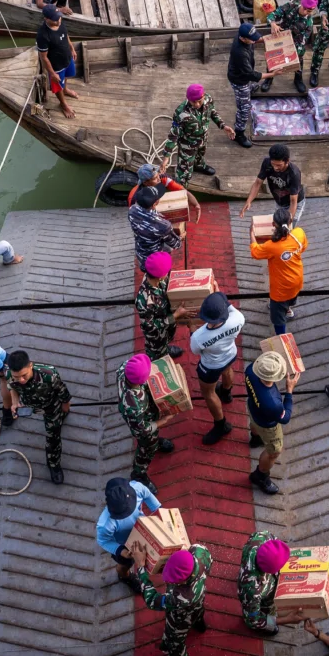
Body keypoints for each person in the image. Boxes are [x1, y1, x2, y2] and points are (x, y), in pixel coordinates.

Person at [137, 544, 213, 656]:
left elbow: (152, 600)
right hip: (199, 600)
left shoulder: (181, 597)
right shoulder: (200, 551)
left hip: (180, 618)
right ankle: (198, 622)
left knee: (173, 643)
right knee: (197, 611)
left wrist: (141, 568)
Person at [4, 349, 72, 484]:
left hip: (51, 407)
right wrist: (15, 402)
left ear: (30, 365)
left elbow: (62, 391)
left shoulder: (49, 374)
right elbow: (12, 388)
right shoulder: (9, 374)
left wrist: (65, 409)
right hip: (30, 406)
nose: (21, 380)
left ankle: (54, 465)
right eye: (17, 377)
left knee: (53, 438)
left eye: (24, 375)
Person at [190, 291, 246, 445]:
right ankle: (227, 393)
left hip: (211, 366)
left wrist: (192, 328)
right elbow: (229, 306)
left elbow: (195, 351)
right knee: (227, 370)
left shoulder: (199, 336)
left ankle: (221, 425)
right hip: (230, 354)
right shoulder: (238, 318)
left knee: (208, 393)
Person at [244, 350, 298, 495]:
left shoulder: (250, 370)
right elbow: (285, 418)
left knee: (254, 423)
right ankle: (260, 476)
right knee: (274, 452)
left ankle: (255, 438)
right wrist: (289, 391)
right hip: (268, 425)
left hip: (254, 409)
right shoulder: (273, 404)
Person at [96, 477, 162, 594]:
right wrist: (123, 552)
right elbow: (104, 541)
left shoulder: (138, 488)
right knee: (125, 565)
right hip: (125, 545)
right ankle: (124, 577)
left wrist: (159, 513)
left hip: (144, 532)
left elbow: (152, 502)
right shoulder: (105, 524)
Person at [118, 353, 175, 489]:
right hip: (141, 425)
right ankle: (139, 474)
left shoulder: (125, 368)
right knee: (147, 446)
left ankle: (155, 440)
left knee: (153, 437)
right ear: (141, 381)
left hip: (147, 413)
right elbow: (142, 429)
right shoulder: (133, 405)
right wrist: (163, 421)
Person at [159, 83, 234, 185]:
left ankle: (198, 165)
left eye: (199, 101)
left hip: (203, 139)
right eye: (194, 102)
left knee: (200, 155)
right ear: (188, 99)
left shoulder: (208, 100)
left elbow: (212, 112)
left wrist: (223, 126)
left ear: (203, 96)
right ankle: (181, 185)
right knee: (184, 171)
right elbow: (173, 135)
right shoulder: (181, 113)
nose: (197, 104)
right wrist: (166, 156)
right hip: (188, 144)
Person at [250, 207, 307, 336]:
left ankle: (281, 337)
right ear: (290, 221)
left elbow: (255, 252)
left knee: (277, 318)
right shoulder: (299, 234)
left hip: (280, 291)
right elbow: (303, 247)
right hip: (297, 280)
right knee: (292, 298)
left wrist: (252, 234)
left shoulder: (271, 246)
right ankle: (288, 310)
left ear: (273, 225)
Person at [135, 251, 190, 361]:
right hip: (156, 337)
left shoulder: (157, 279)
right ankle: (159, 356)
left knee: (166, 342)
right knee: (157, 353)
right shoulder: (145, 301)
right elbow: (149, 326)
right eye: (166, 271)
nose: (168, 273)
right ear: (159, 276)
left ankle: (166, 349)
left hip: (166, 328)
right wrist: (175, 316)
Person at [237, 533, 292, 635]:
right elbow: (252, 619)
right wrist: (285, 620)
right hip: (255, 597)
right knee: (261, 612)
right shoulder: (252, 589)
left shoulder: (262, 538)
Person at [265, 0, 316, 94]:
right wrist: (273, 23)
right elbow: (272, 15)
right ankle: (269, 78)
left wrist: (295, 50)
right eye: (304, 9)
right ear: (301, 4)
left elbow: (303, 40)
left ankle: (298, 79)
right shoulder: (290, 6)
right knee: (273, 57)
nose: (305, 12)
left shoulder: (309, 22)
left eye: (309, 11)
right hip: (281, 35)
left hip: (296, 40)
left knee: (299, 57)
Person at [241, 144, 304, 222]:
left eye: (279, 165)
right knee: (278, 225)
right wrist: (249, 201)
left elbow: (293, 201)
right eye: (273, 164)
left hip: (294, 203)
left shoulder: (294, 173)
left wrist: (287, 222)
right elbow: (257, 183)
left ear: (287, 161)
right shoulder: (266, 163)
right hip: (280, 202)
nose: (275, 168)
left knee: (288, 228)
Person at [36, 5, 79, 118]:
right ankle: (63, 104)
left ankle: (65, 90)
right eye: (55, 19)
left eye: (59, 17)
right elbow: (44, 57)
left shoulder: (60, 21)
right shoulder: (43, 35)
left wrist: (72, 49)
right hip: (56, 65)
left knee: (66, 76)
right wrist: (52, 73)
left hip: (67, 58)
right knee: (57, 85)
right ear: (46, 19)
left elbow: (66, 35)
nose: (58, 20)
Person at [228, 19, 264, 147]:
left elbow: (257, 39)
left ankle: (249, 88)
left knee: (248, 86)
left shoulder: (245, 36)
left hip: (244, 75)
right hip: (240, 80)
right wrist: (273, 74)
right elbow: (251, 75)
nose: (254, 40)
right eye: (251, 39)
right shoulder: (239, 53)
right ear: (243, 39)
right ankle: (239, 133)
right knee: (244, 109)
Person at [128, 185, 184, 265]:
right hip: (155, 260)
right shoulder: (163, 226)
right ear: (155, 204)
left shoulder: (132, 210)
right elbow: (176, 244)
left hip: (140, 253)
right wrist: (181, 237)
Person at [126, 163, 201, 222]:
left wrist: (196, 205)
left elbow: (183, 191)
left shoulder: (162, 178)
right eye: (155, 178)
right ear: (146, 182)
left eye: (157, 174)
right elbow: (136, 219)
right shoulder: (135, 198)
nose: (159, 178)